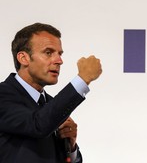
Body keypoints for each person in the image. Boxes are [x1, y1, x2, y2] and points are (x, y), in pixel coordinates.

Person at [0, 23, 102, 163]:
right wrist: (82, 80)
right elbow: (38, 125)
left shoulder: (52, 104)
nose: (59, 61)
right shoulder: (3, 95)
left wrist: (70, 148)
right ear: (23, 58)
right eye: (48, 53)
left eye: (59, 54)